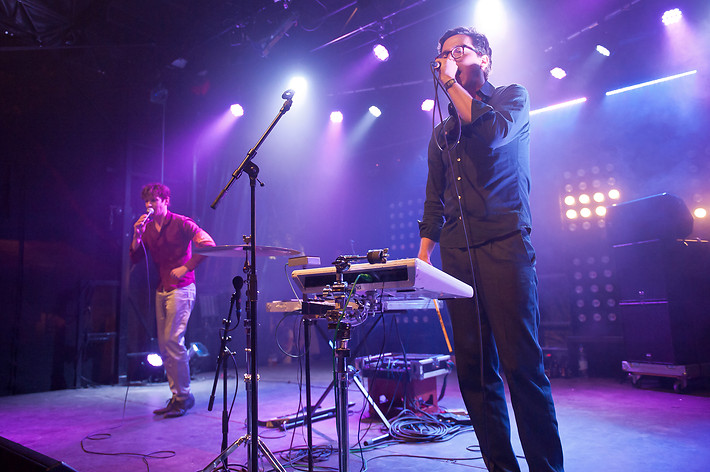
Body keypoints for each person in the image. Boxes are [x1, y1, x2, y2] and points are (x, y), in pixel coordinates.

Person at [417, 27, 564, 472]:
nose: (450, 58)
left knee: (523, 369)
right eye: (444, 53)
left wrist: (451, 85)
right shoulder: (442, 134)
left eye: (460, 51)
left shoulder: (512, 99)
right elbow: (433, 199)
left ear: (486, 59)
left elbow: (493, 134)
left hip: (505, 246)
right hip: (458, 257)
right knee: (476, 375)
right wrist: (422, 260)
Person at [130, 183, 215, 418]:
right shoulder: (146, 228)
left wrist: (186, 266)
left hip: (182, 287)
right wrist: (136, 235)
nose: (149, 205)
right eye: (147, 201)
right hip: (162, 288)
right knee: (164, 346)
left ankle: (184, 396)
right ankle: (177, 396)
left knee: (172, 340)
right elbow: (136, 257)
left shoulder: (181, 222)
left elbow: (208, 243)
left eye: (154, 201)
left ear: (166, 201)